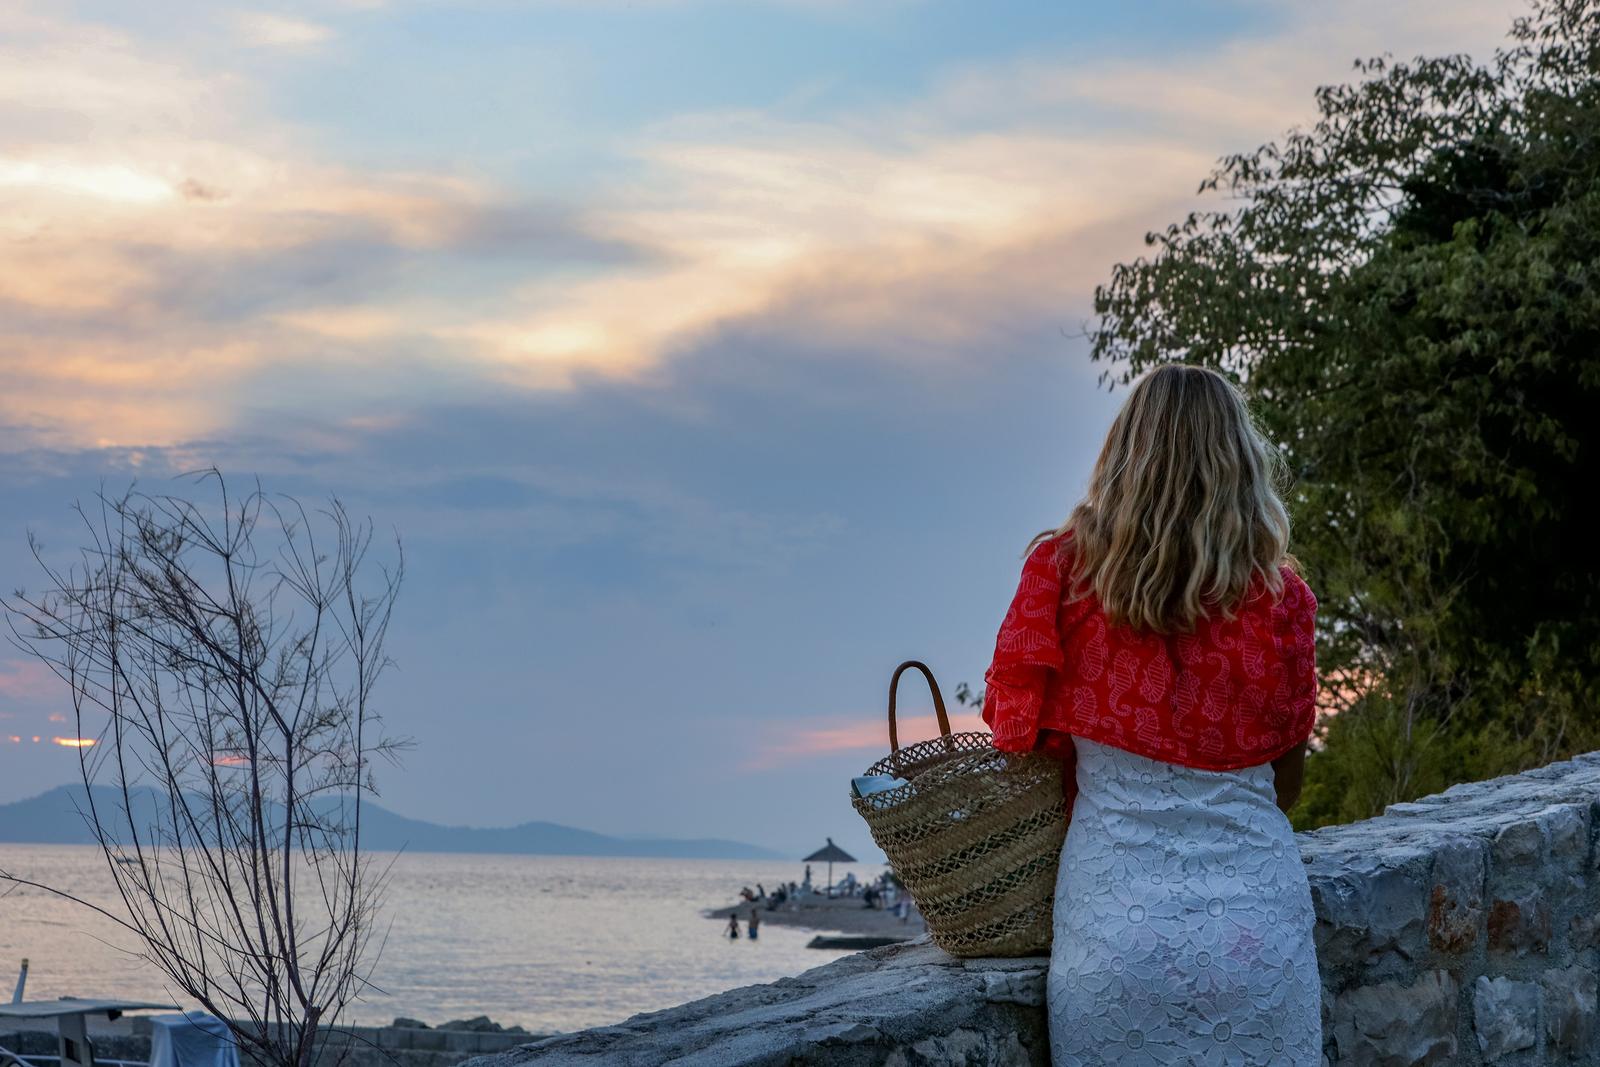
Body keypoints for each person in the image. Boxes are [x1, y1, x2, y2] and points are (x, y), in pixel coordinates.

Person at [983, 364, 1321, 1065]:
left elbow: (1020, 738)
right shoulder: (1282, 602)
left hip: (1115, 934)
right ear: (1241, 465)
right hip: (1255, 937)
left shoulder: (1063, 576)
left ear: (1122, 457)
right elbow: (1286, 786)